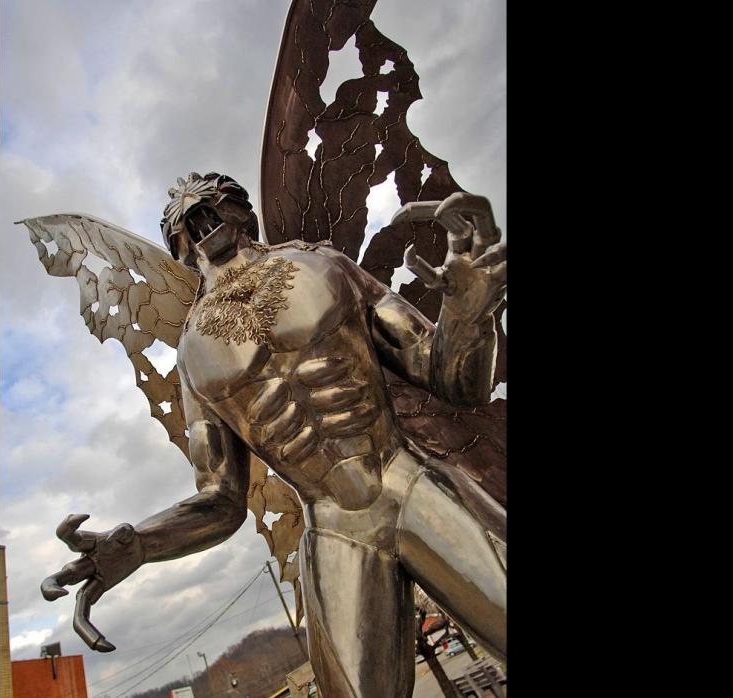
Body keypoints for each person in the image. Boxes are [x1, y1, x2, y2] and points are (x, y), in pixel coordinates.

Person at [41, 172, 507, 698]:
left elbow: (450, 378)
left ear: (241, 211)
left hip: (410, 483)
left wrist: (468, 315)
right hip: (334, 531)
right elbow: (221, 499)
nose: (195, 214)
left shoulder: (325, 267)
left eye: (208, 201)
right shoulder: (192, 355)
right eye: (182, 219)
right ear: (179, 247)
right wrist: (142, 544)